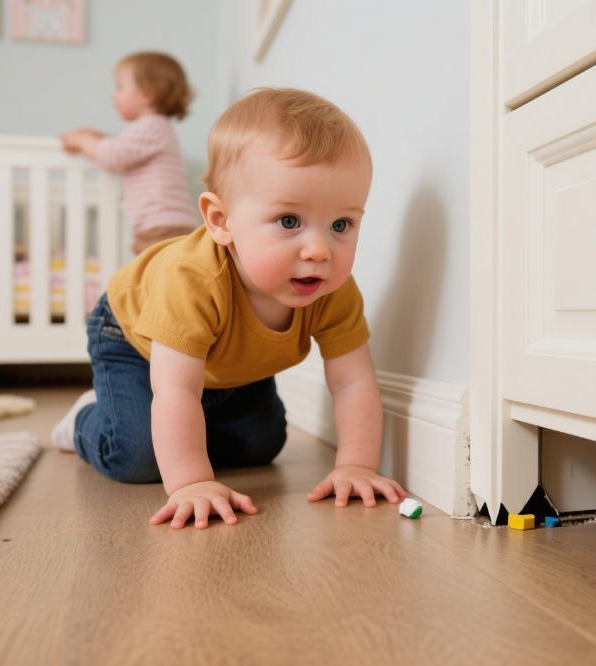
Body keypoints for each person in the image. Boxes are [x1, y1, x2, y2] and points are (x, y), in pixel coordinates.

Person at [51, 87, 407, 529]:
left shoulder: (331, 290)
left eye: (341, 225)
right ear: (221, 221)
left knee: (260, 444)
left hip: (228, 361)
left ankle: (189, 425)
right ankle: (87, 419)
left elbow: (353, 382)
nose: (319, 250)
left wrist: (356, 465)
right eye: (289, 221)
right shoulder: (193, 281)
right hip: (134, 339)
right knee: (139, 458)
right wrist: (190, 482)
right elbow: (177, 389)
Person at [60, 51, 199, 254]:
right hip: (158, 226)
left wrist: (81, 140)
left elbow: (112, 154)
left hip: (165, 226)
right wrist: (97, 137)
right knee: (156, 277)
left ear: (147, 95)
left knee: (160, 279)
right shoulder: (150, 128)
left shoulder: (154, 126)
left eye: (120, 87)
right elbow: (121, 146)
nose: (114, 95)